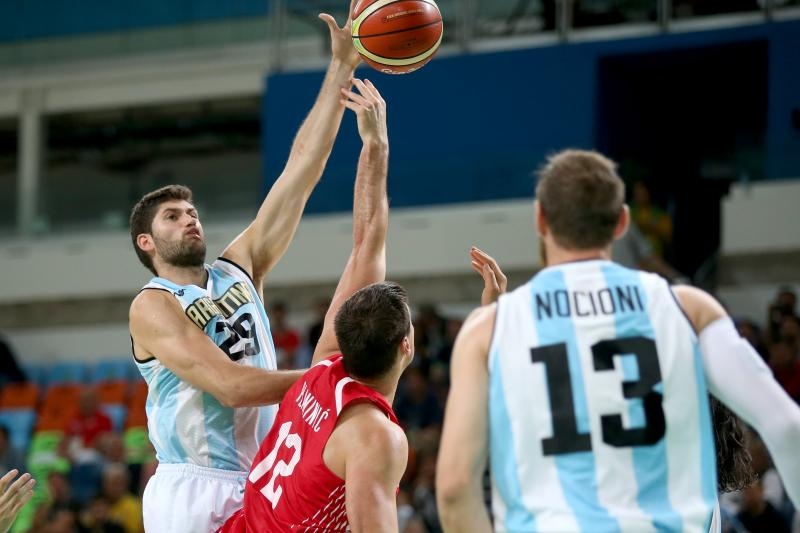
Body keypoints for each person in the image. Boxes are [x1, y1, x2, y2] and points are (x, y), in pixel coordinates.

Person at [436, 149, 800, 532]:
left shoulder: (486, 329)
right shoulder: (689, 309)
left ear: (540, 220)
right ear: (622, 222)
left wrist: (496, 317)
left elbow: (455, 488)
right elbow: (788, 425)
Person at [126, 5, 363, 530]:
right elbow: (229, 386)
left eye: (192, 213)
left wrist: (341, 67)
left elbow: (302, 168)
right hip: (193, 486)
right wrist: (331, 378)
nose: (190, 221)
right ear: (147, 241)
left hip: (264, 471)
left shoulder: (241, 267)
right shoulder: (152, 305)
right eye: (173, 217)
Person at [220, 77, 408, 532]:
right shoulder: (375, 437)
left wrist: (375, 147)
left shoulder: (323, 369)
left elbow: (366, 246)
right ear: (406, 346)